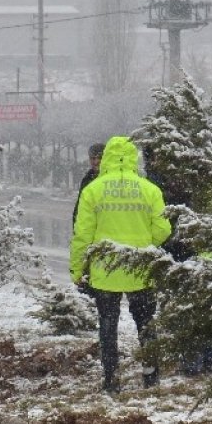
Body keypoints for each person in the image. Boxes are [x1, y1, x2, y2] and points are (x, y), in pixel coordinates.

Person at [70, 136, 172, 392]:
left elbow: (83, 234)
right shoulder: (149, 189)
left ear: (106, 159)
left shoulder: (93, 190)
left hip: (105, 270)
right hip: (141, 267)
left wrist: (78, 269)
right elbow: (163, 229)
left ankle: (111, 379)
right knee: (146, 323)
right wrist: (144, 243)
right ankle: (151, 375)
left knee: (108, 324)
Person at [71, 143, 106, 224]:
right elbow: (79, 207)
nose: (96, 162)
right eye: (93, 158)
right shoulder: (87, 179)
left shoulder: (112, 179)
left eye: (100, 158)